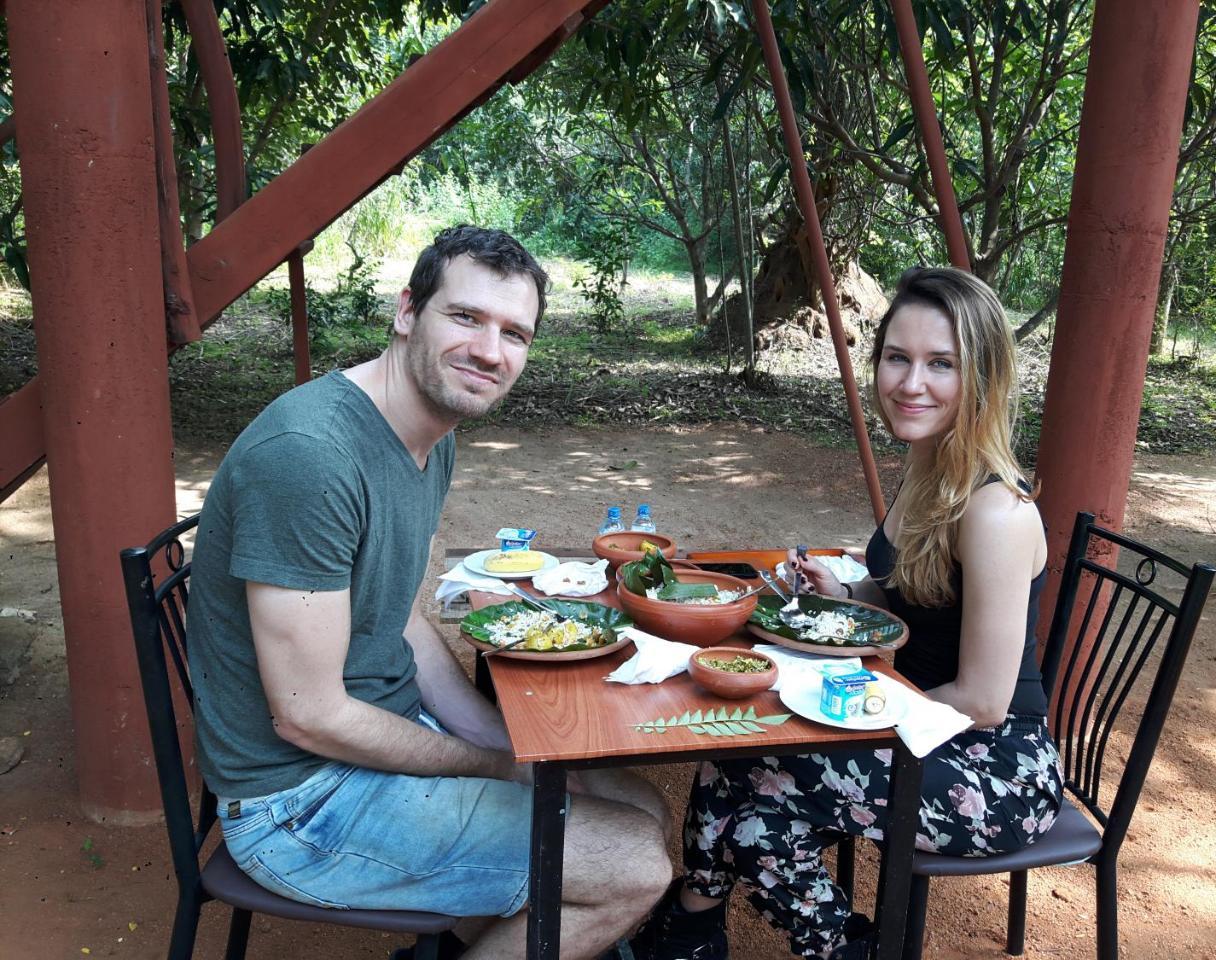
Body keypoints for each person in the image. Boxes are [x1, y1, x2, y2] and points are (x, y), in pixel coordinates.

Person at [186, 225, 672, 960]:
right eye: (467, 317)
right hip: (298, 802)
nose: (490, 351)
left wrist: (491, 733)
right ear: (408, 312)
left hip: (368, 739)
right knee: (634, 864)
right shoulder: (311, 459)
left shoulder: (429, 433)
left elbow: (398, 618)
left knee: (643, 805)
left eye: (515, 333)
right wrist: (491, 763)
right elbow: (309, 719)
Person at [624, 267, 1064, 960]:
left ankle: (834, 948)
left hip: (991, 770)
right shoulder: (930, 468)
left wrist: (835, 716)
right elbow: (905, 604)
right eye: (898, 357)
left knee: (757, 819)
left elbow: (983, 701)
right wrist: (845, 594)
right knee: (730, 756)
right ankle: (693, 925)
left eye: (941, 364)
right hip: (919, 720)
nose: (911, 382)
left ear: (982, 377)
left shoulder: (996, 512)